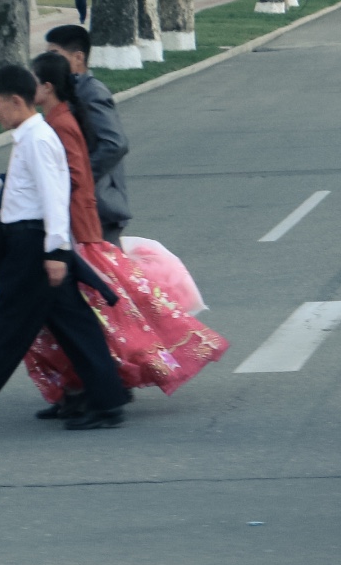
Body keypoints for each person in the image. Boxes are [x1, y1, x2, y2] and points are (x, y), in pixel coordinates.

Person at [0, 63, 131, 434]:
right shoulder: (30, 137)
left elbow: (54, 196)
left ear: (17, 100)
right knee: (76, 326)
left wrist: (56, 253)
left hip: (33, 247)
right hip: (30, 243)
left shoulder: (38, 139)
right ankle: (108, 400)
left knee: (3, 330)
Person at [22, 53, 227, 415]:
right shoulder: (55, 121)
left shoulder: (61, 124)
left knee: (99, 320)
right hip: (73, 232)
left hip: (75, 234)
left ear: (48, 86)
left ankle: (100, 390)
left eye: (32, 82)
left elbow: (73, 182)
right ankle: (80, 390)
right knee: (79, 321)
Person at [44, 25, 129, 245]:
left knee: (103, 275)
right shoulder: (70, 92)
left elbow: (115, 143)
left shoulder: (92, 92)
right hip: (80, 203)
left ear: (78, 57)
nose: (49, 61)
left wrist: (80, 178)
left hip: (99, 205)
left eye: (55, 55)